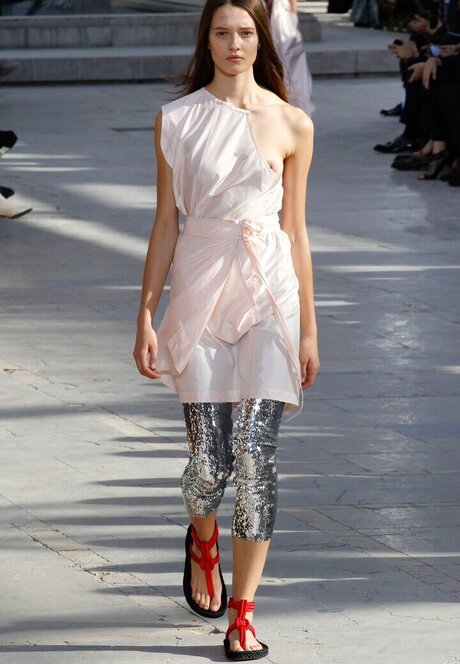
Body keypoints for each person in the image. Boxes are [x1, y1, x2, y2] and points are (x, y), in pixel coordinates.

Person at [133, 0, 319, 659]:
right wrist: (146, 313)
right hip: (201, 289)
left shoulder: (293, 122)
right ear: (206, 40)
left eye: (244, 32)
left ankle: (243, 613)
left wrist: (309, 330)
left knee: (255, 455)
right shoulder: (177, 120)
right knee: (208, 464)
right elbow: (165, 223)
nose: (234, 43)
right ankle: (203, 541)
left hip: (270, 291)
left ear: (260, 39)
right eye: (222, 32)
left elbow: (296, 232)